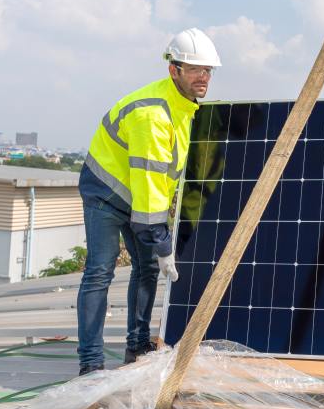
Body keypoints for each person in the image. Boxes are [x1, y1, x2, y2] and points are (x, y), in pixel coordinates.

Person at [75, 28, 220, 376]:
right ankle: (90, 363)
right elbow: (151, 182)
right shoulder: (153, 115)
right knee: (100, 271)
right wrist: (161, 240)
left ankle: (137, 347)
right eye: (195, 70)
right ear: (174, 70)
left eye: (208, 71)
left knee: (148, 268)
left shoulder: (187, 108)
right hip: (106, 194)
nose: (203, 78)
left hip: (139, 198)